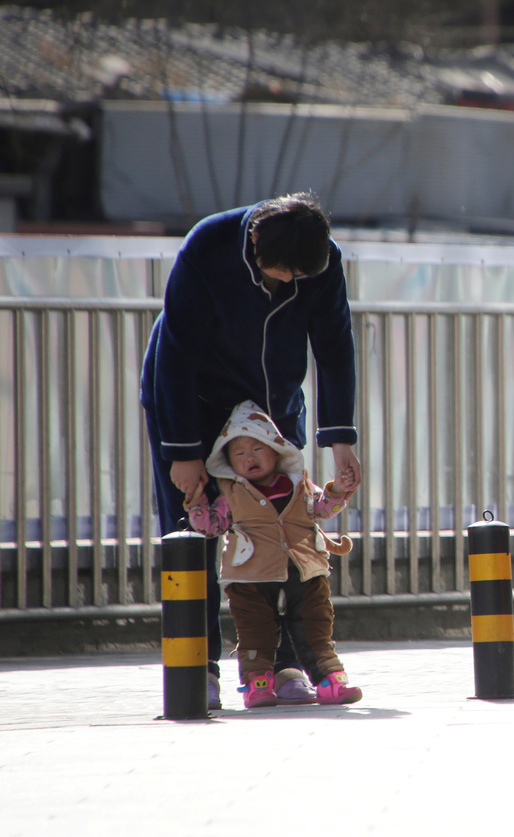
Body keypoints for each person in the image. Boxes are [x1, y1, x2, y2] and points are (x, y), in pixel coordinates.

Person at [140, 192, 362, 709]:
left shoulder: (320, 258)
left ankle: (281, 666)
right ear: (257, 239)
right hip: (193, 402)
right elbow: (175, 352)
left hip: (270, 411)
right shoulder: (208, 244)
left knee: (283, 529)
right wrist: (184, 451)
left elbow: (334, 344)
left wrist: (341, 439)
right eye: (283, 271)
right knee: (191, 528)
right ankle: (197, 665)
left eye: (299, 275)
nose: (290, 281)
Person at [186, 401, 363, 707]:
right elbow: (211, 526)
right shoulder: (232, 494)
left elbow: (323, 508)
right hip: (250, 576)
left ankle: (330, 679)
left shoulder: (298, 484)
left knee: (315, 627)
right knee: (255, 631)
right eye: (239, 453)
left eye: (258, 448)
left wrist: (337, 490)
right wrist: (195, 504)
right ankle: (258, 684)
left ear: (277, 452)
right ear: (228, 463)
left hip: (304, 570)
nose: (249, 457)